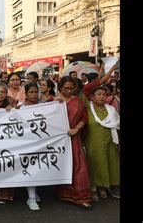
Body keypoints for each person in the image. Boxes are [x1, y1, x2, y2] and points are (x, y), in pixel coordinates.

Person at [55, 76, 92, 209]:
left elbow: (84, 118)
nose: (69, 91)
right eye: (66, 88)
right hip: (58, 141)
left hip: (73, 138)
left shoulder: (79, 102)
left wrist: (76, 128)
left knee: (78, 166)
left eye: (71, 88)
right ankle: (64, 193)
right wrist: (56, 105)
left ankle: (81, 197)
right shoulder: (54, 102)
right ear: (60, 88)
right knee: (62, 165)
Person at [85, 86, 120, 201]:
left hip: (110, 142)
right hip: (93, 143)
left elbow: (117, 125)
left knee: (111, 163)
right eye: (99, 94)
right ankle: (95, 188)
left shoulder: (111, 110)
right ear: (92, 97)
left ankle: (106, 187)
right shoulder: (87, 110)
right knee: (95, 164)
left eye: (104, 94)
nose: (102, 96)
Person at [15, 82, 42, 211]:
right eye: (31, 92)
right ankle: (31, 197)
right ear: (25, 93)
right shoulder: (20, 108)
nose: (34, 95)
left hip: (41, 144)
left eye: (36, 92)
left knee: (37, 169)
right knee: (30, 168)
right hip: (25, 144)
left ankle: (33, 193)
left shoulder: (45, 106)